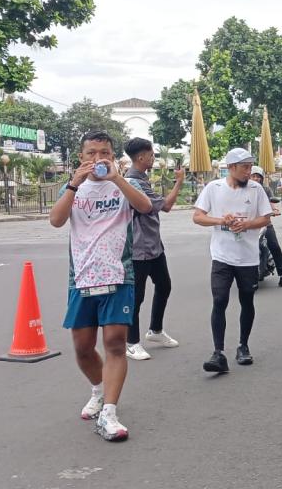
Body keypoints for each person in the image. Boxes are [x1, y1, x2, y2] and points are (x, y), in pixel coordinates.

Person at [49, 130, 153, 442]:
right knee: (82, 348)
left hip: (118, 275)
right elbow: (56, 220)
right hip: (81, 277)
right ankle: (98, 389)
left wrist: (117, 178)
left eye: (104, 152)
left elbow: (145, 207)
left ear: (112, 156)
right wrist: (73, 184)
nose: (98, 159)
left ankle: (109, 412)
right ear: (81, 158)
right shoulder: (73, 189)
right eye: (92, 153)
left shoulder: (125, 185)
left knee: (116, 344)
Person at [192, 149, 273, 372]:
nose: (249, 171)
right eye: (245, 167)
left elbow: (266, 218)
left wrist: (246, 224)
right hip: (221, 256)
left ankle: (243, 346)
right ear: (231, 168)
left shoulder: (256, 189)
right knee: (219, 301)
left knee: (247, 301)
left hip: (247, 258)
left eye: (251, 166)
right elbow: (198, 216)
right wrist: (221, 221)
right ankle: (218, 353)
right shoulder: (214, 188)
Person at [122, 138, 183, 361]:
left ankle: (155, 331)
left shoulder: (142, 180)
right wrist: (179, 183)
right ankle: (132, 342)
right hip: (138, 248)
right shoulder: (132, 183)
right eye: (151, 155)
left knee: (164, 285)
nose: (153, 158)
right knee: (136, 297)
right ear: (140, 157)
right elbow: (165, 206)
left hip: (153, 246)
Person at [250, 166, 282, 289]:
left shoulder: (266, 189)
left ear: (262, 178)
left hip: (265, 223)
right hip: (248, 225)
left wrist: (274, 209)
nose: (256, 178)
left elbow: (270, 202)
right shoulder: (244, 189)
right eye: (253, 176)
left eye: (258, 176)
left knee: (274, 246)